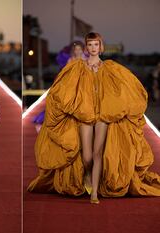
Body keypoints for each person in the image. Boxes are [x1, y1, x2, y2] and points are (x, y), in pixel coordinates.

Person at [28, 32, 160, 204]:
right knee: (87, 156)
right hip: (85, 114)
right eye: (90, 45)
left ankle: (94, 193)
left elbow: (126, 86)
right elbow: (63, 87)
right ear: (86, 47)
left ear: (101, 46)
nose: (93, 48)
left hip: (104, 116)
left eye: (96, 45)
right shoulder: (78, 67)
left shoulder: (111, 68)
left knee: (98, 153)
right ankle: (89, 174)